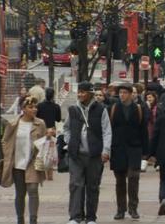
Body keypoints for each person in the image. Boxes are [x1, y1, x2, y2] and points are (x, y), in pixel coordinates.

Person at [63, 81, 112, 224]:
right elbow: (66, 128)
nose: (80, 94)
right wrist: (69, 141)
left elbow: (107, 131)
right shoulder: (73, 110)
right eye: (79, 92)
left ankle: (91, 217)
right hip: (76, 155)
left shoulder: (101, 109)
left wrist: (106, 150)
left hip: (94, 155)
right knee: (75, 185)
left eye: (83, 92)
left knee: (92, 186)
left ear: (90, 93)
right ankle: (75, 217)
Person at [0, 96, 49, 224]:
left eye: (35, 107)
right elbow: (5, 140)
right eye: (30, 107)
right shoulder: (13, 124)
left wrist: (48, 138)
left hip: (33, 162)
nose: (34, 109)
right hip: (17, 163)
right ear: (23, 108)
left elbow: (45, 142)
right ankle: (20, 220)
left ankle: (33, 220)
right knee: (20, 193)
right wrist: (8, 154)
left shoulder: (40, 123)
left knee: (33, 190)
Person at [109, 83, 149, 220]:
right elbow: (109, 130)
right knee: (120, 181)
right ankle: (120, 209)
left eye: (125, 93)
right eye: (120, 93)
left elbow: (144, 130)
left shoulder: (138, 108)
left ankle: (133, 208)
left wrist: (146, 152)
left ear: (131, 94)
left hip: (134, 148)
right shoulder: (113, 108)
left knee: (133, 178)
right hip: (118, 148)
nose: (122, 95)